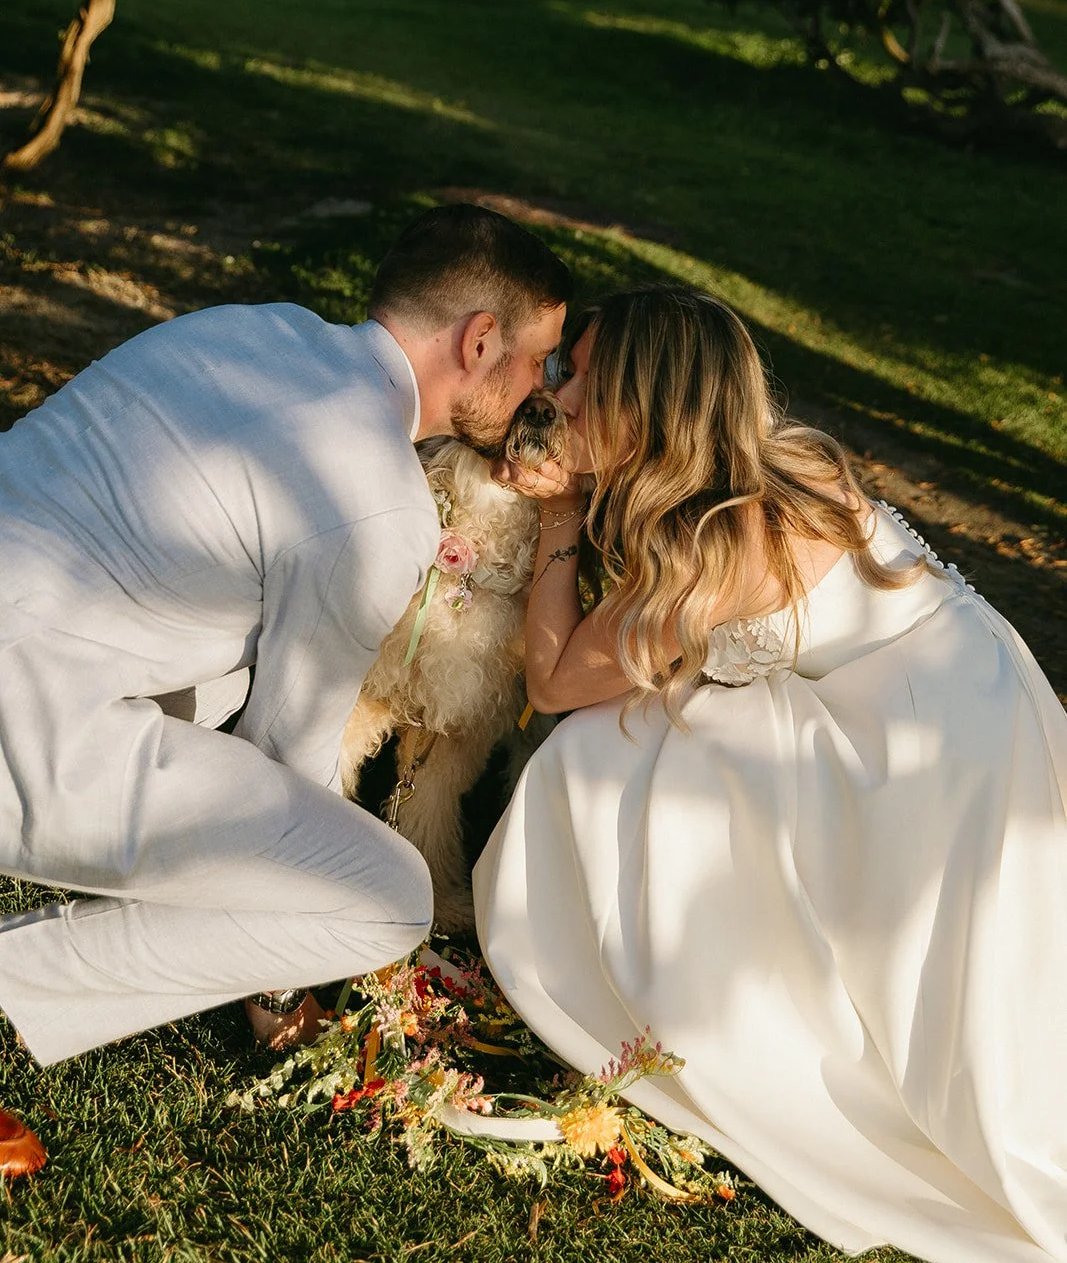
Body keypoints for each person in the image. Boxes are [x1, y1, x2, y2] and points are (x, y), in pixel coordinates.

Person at [477, 282, 1067, 1263]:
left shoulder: (715, 546)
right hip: (992, 711)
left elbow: (550, 680)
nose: (557, 390)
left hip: (918, 775)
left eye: (577, 373)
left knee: (592, 757)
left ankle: (669, 986)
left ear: (640, 401)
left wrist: (560, 517)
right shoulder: (782, 464)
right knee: (682, 709)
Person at [0, 203, 568, 1165]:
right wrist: (274, 980)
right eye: (536, 362)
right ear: (480, 342)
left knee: (222, 666)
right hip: (28, 716)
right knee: (381, 896)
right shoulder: (374, 505)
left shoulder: (238, 328)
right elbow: (287, 775)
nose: (539, 391)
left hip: (42, 635)